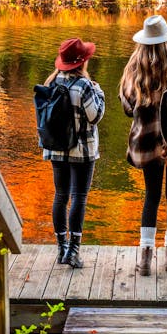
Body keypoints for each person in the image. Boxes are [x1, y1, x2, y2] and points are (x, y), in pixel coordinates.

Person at [118, 15, 167, 276]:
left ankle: (144, 261)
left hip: (146, 141)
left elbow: (128, 108)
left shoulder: (134, 68)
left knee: (151, 196)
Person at [43, 37, 105, 268]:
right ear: (82, 62)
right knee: (79, 196)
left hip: (56, 148)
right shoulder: (85, 86)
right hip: (82, 150)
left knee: (60, 196)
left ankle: (61, 249)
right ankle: (73, 252)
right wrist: (100, 94)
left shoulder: (51, 82)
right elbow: (95, 116)